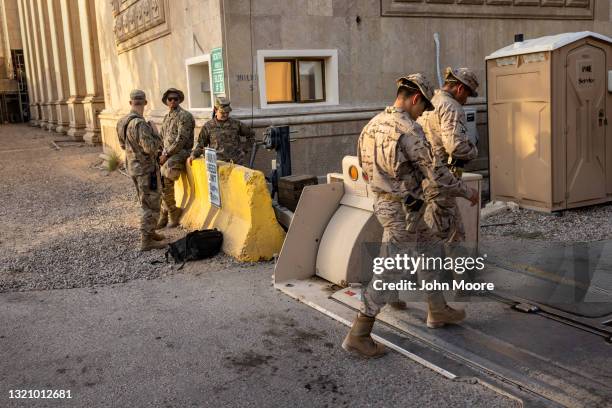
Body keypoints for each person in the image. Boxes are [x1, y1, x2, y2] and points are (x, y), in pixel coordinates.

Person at [342, 74, 479, 358]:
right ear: (416, 98)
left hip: (385, 204)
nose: (423, 113)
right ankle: (359, 334)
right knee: (389, 271)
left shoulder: (370, 126)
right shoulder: (409, 130)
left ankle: (437, 308)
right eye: (423, 107)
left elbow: (365, 171)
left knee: (428, 249)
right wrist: (466, 192)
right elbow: (437, 174)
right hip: (404, 212)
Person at [418, 67, 479, 244]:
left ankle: (456, 270)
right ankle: (441, 271)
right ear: (460, 89)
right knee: (443, 236)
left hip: (425, 177)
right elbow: (456, 147)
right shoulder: (452, 107)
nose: (466, 100)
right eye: (467, 95)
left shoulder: (429, 102)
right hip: (441, 180)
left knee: (452, 233)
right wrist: (473, 150)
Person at [116, 90, 165, 251]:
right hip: (146, 170)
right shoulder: (140, 124)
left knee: (144, 200)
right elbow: (151, 148)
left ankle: (150, 232)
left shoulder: (122, 121)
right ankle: (146, 240)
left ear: (130, 103)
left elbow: (123, 145)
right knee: (150, 203)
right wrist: (156, 134)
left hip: (133, 167)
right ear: (145, 103)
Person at [157, 88, 195, 229]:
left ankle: (173, 213)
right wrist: (159, 153)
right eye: (170, 99)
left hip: (180, 153)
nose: (172, 101)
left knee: (165, 177)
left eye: (175, 99)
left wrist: (166, 155)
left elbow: (181, 140)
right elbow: (161, 138)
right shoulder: (167, 117)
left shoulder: (184, 116)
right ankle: (164, 213)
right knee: (158, 180)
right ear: (166, 101)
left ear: (179, 100)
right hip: (167, 154)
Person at [189, 97, 254, 166]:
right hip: (217, 164)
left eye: (227, 112)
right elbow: (201, 145)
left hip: (236, 163)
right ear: (216, 110)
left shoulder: (236, 124)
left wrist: (244, 150)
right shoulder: (208, 126)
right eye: (222, 112)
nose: (225, 115)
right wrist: (194, 155)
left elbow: (252, 136)